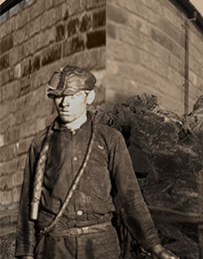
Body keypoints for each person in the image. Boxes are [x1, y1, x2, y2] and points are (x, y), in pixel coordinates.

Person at [15, 66, 178, 259]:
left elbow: (130, 196)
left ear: (89, 97)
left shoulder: (109, 139)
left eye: (73, 96)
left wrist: (154, 246)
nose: (64, 103)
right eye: (59, 96)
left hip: (100, 246)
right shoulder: (40, 143)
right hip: (54, 247)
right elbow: (27, 203)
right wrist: (25, 253)